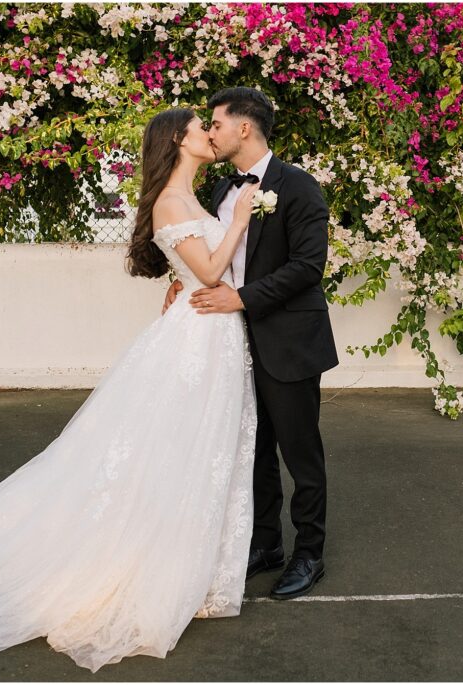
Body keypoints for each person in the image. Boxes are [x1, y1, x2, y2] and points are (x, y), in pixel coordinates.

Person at [0, 108, 262, 672]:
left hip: (214, 335)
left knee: (200, 454)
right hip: (195, 341)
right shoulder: (170, 202)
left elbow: (199, 274)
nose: (211, 134)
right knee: (172, 451)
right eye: (199, 128)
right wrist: (241, 222)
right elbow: (208, 273)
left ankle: (193, 566)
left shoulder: (192, 199)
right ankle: (136, 567)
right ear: (176, 142)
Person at [163, 87, 339, 600]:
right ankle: (266, 544)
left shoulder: (299, 187)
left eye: (215, 123)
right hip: (230, 345)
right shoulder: (220, 189)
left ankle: (310, 553)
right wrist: (183, 282)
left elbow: (308, 267)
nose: (210, 132)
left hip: (288, 340)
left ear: (244, 127)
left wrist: (240, 299)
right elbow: (204, 252)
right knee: (251, 450)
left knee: (299, 450)